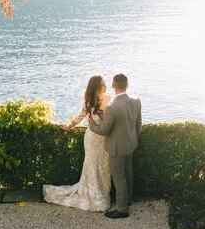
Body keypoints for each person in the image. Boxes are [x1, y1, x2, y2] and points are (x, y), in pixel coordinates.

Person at [42, 75, 112, 211]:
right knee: (92, 165)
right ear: (97, 86)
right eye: (103, 84)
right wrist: (69, 126)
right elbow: (80, 116)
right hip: (92, 138)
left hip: (105, 138)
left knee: (104, 166)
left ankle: (103, 193)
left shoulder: (110, 99)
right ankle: (93, 196)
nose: (106, 86)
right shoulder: (89, 102)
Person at [89, 73, 142, 219]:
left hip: (117, 148)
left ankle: (122, 209)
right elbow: (139, 124)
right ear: (127, 85)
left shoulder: (112, 107)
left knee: (119, 178)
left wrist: (92, 125)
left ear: (113, 86)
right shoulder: (136, 100)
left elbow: (104, 130)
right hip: (131, 144)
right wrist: (133, 139)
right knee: (128, 172)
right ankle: (128, 200)